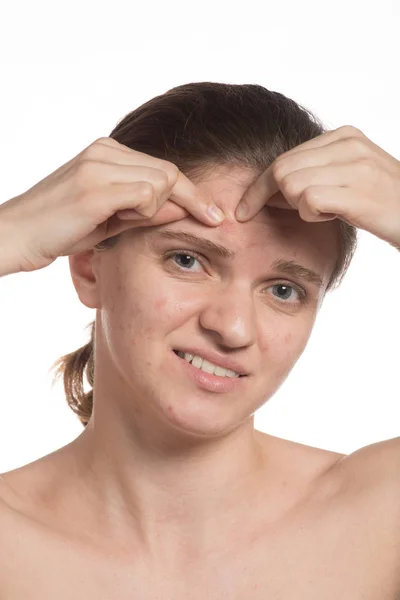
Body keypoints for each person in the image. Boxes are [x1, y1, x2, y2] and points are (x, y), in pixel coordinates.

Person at [0, 82, 399, 598]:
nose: (232, 328)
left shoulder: (380, 518)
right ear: (88, 266)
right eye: (187, 260)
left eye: (284, 289)